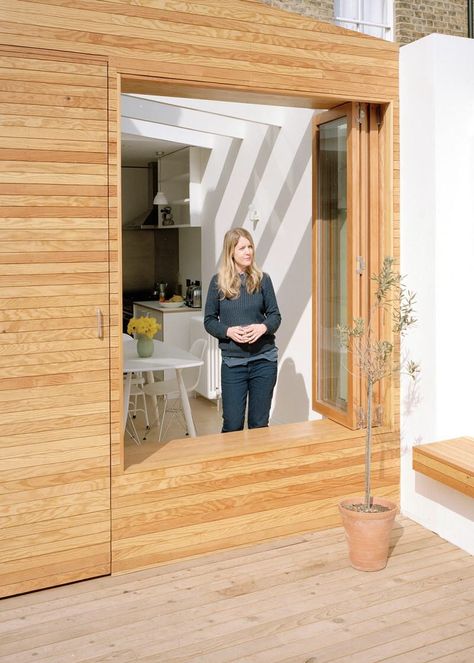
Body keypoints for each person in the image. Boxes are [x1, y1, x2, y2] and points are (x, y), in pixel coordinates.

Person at [204, 227, 281, 432]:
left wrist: (263, 327)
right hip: (233, 364)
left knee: (259, 424)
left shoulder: (263, 280)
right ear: (231, 252)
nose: (248, 252)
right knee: (232, 423)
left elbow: (275, 316)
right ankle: (230, 464)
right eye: (242, 248)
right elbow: (209, 321)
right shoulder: (218, 283)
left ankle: (257, 464)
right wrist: (228, 331)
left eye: (250, 247)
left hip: (264, 361)